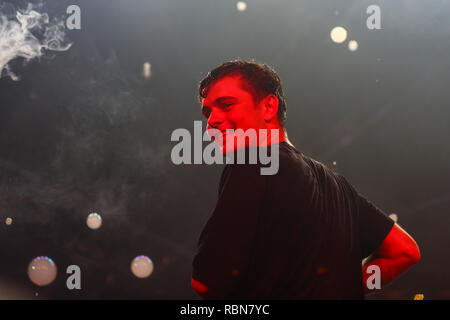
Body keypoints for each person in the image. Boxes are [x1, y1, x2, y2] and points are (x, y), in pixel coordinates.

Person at [191, 59, 420, 299]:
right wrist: (350, 289)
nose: (212, 122)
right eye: (208, 112)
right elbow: (403, 252)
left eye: (226, 105)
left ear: (269, 106)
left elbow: (206, 283)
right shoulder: (338, 185)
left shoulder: (253, 163)